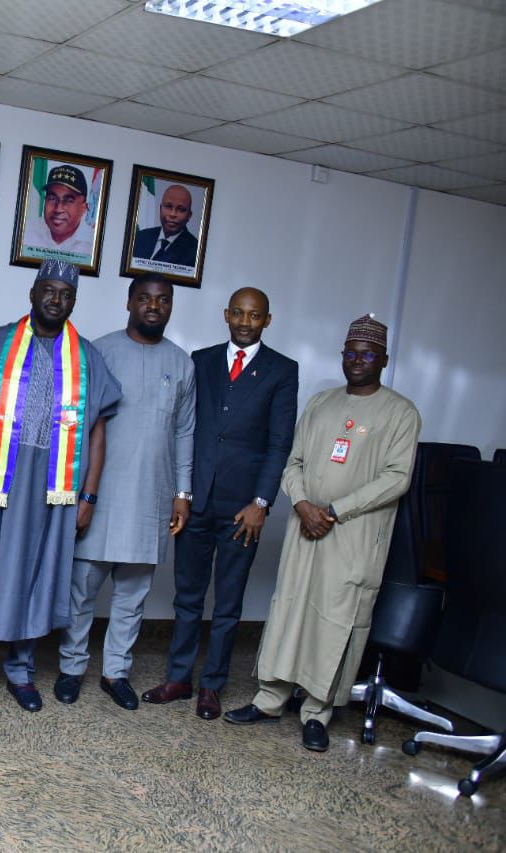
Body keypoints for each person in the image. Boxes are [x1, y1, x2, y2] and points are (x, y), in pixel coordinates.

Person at [225, 314, 420, 753]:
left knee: (335, 620)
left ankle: (317, 712)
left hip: (351, 535)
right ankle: (270, 699)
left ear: (384, 360)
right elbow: (293, 461)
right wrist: (301, 504)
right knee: (290, 609)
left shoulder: (401, 412)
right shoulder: (321, 402)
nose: (356, 361)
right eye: (350, 353)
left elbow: (397, 479)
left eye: (367, 354)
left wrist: (335, 511)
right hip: (304, 526)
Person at [0, 259, 121, 712]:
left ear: (73, 301)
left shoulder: (86, 356)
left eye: (66, 294)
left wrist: (88, 495)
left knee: (37, 575)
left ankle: (22, 672)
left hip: (54, 491)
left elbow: (99, 431)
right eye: (48, 290)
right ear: (32, 292)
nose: (56, 300)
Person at [142, 287, 298, 720]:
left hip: (242, 510)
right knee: (187, 597)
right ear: (226, 315)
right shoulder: (202, 360)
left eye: (255, 316)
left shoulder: (283, 370)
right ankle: (178, 678)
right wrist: (183, 493)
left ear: (267, 320)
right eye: (239, 313)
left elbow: (280, 443)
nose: (245, 322)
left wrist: (261, 502)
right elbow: (186, 428)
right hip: (196, 502)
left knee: (228, 604)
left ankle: (212, 686)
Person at [58, 273, 196, 711]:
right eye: (145, 298)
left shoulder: (183, 363)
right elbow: (77, 425)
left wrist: (183, 494)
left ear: (170, 306)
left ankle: (116, 672)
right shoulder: (99, 351)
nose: (153, 306)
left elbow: (185, 432)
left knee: (132, 596)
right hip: (100, 495)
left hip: (151, 498)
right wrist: (80, 493)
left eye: (163, 300)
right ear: (129, 302)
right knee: (81, 591)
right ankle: (72, 667)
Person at [22, 165, 92, 263]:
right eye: (52, 198)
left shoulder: (92, 244)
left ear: (84, 208)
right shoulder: (25, 233)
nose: (58, 209)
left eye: (69, 200)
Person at [131, 185, 199, 268]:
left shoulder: (195, 251)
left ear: (189, 215)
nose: (173, 214)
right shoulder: (140, 237)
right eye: (168, 206)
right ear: (160, 208)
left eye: (181, 209)